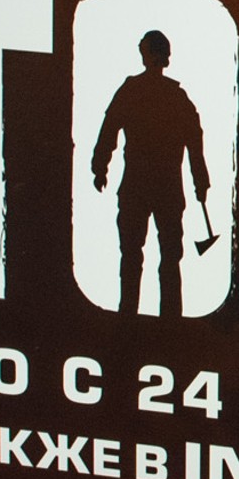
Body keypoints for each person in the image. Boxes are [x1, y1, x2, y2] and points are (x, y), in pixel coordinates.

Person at [91, 30, 210, 318]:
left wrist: (100, 167)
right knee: (168, 256)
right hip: (166, 187)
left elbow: (109, 129)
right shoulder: (177, 97)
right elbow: (195, 142)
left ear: (146, 54)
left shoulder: (132, 90)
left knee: (134, 254)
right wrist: (200, 181)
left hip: (138, 185)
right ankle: (169, 319)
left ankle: (130, 315)